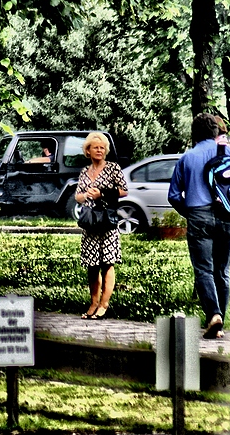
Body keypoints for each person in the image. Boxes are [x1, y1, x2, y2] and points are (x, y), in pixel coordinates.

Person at [168, 113, 230, 339]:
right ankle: (220, 325)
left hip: (199, 216)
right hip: (227, 217)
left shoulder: (187, 158)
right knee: (222, 271)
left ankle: (214, 315)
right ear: (216, 132)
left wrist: (189, 212)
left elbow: (174, 195)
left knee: (203, 270)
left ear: (194, 133)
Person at [75, 132, 128, 320]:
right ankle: (93, 303)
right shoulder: (84, 172)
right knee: (91, 265)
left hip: (107, 222)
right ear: (88, 150)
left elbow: (124, 191)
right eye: (95, 147)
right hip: (90, 223)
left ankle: (104, 305)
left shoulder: (113, 168)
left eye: (102, 147)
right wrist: (87, 195)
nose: (99, 150)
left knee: (107, 263)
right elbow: (77, 196)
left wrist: (102, 193)